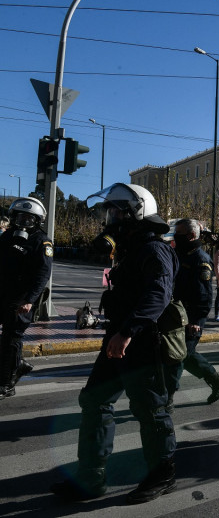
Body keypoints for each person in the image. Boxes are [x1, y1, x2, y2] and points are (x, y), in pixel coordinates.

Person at [51, 184, 178, 504]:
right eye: (110, 212)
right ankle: (91, 476)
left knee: (151, 410)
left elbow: (157, 296)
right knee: (94, 400)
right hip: (119, 337)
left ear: (137, 213)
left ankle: (163, 474)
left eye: (117, 212)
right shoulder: (130, 249)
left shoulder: (154, 249)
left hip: (142, 341)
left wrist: (128, 332)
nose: (111, 218)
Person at [165, 219, 219, 411]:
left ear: (191, 236)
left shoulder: (201, 259)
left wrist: (195, 321)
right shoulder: (178, 254)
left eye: (179, 233)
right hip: (175, 313)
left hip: (192, 315)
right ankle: (216, 380)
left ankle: (167, 398)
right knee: (185, 354)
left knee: (177, 356)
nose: (176, 236)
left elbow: (204, 296)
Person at [0, 197, 52, 399]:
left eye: (29, 219)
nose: (24, 222)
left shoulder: (42, 241)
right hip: (3, 293)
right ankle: (18, 364)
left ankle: (6, 384)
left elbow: (42, 275)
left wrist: (30, 299)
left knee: (11, 339)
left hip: (21, 299)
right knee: (7, 341)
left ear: (37, 221)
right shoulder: (7, 236)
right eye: (20, 217)